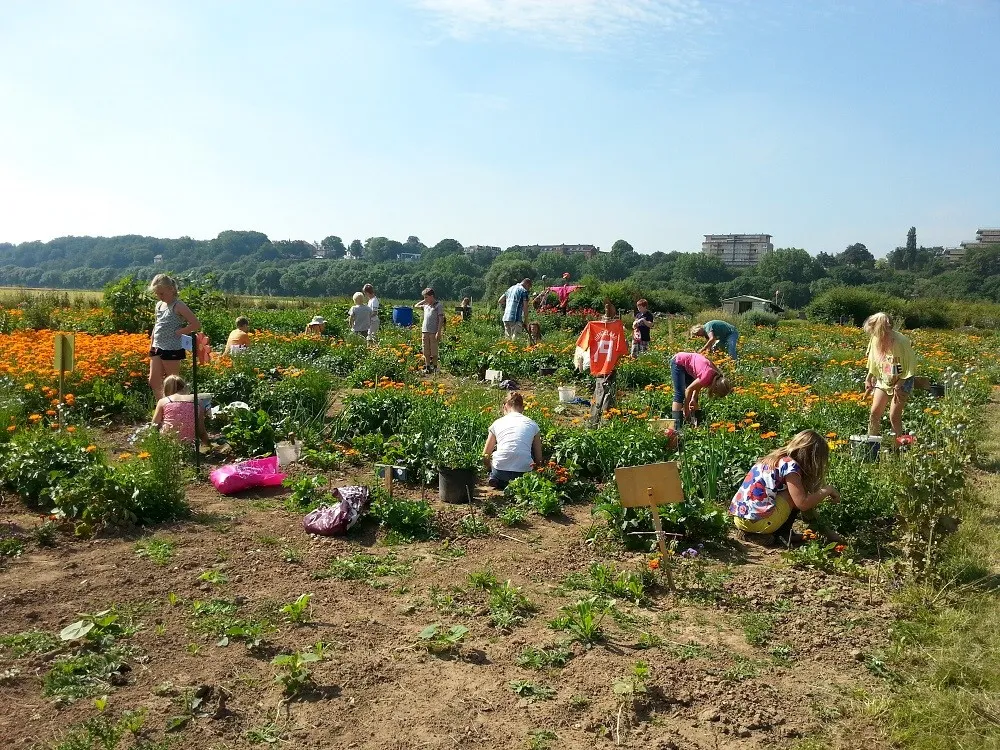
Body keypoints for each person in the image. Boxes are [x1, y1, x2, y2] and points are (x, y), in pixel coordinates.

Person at [729, 430, 842, 547]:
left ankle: (771, 533)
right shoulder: (791, 466)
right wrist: (827, 490)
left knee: (796, 493)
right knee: (797, 496)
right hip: (759, 524)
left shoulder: (774, 459)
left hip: (740, 519)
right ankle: (783, 535)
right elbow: (802, 503)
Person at [863, 312, 917, 439]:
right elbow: (873, 361)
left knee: (894, 416)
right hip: (884, 378)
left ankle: (896, 449)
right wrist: (868, 378)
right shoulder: (875, 338)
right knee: (874, 413)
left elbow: (910, 364)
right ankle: (871, 443)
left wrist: (900, 383)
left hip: (903, 379)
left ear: (882, 327)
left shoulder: (901, 341)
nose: (872, 333)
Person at [148, 274, 200, 400]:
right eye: (157, 294)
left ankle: (176, 408)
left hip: (172, 348)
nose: (159, 296)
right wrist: (151, 344)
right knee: (153, 380)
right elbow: (157, 325)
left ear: (171, 290)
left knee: (172, 383)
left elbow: (195, 324)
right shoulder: (159, 305)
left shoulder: (178, 305)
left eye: (161, 293)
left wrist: (180, 332)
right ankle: (162, 407)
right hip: (157, 346)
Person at [482, 392, 543, 490]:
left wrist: (489, 468)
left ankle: (494, 478)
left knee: (497, 452)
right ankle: (518, 484)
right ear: (522, 408)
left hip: (500, 471)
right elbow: (539, 459)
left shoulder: (497, 423)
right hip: (523, 472)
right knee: (528, 450)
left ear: (505, 406)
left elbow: (485, 455)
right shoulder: (533, 425)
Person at [670, 351, 732, 430]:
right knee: (680, 394)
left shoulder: (716, 376)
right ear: (715, 388)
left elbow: (698, 385)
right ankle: (677, 428)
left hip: (690, 365)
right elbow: (688, 390)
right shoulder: (708, 376)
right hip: (678, 362)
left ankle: (694, 425)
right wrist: (686, 409)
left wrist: (693, 399)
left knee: (694, 399)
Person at [152, 375, 211, 445]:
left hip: (168, 443)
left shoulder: (163, 401)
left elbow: (154, 426)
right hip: (189, 444)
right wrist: (209, 446)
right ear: (184, 386)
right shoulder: (198, 402)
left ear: (166, 389)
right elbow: (201, 431)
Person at [414, 288, 446, 373]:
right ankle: (427, 366)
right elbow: (416, 305)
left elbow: (441, 319)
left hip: (433, 331)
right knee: (425, 349)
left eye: (426, 297)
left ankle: (435, 367)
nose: (425, 299)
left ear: (432, 296)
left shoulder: (438, 305)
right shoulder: (426, 306)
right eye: (424, 297)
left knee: (434, 349)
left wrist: (438, 332)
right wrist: (424, 301)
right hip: (425, 331)